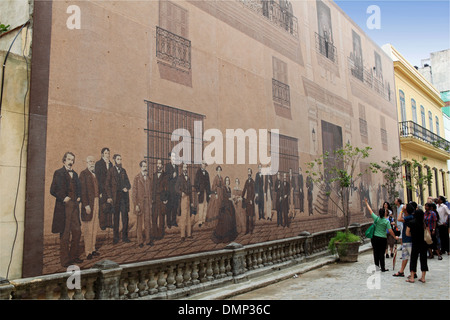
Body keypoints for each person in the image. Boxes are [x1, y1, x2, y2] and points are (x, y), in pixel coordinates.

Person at [50, 152, 83, 267]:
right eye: (69, 159)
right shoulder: (58, 173)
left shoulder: (75, 174)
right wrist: (63, 197)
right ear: (64, 160)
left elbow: (79, 189)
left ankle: (74, 256)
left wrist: (79, 196)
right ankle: (65, 260)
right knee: (65, 234)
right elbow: (53, 190)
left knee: (77, 231)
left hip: (74, 207)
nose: (71, 162)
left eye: (72, 160)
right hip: (64, 207)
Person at [364, 198, 399, 272]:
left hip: (375, 238)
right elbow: (390, 231)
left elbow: (370, 211)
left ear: (379, 213)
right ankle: (383, 268)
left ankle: (377, 267)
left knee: (375, 253)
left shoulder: (376, 219)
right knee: (381, 253)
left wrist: (367, 203)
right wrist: (395, 237)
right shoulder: (386, 222)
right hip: (383, 238)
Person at [106, 154, 131, 244]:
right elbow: (107, 185)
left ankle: (125, 237)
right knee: (115, 218)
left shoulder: (123, 171)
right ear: (114, 160)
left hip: (123, 199)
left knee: (125, 218)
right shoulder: (111, 171)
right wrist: (109, 196)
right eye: (118, 159)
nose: (120, 161)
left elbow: (128, 184)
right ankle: (115, 238)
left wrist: (126, 188)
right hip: (115, 198)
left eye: (120, 159)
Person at [79, 156, 101, 260]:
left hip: (96, 202)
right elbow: (82, 191)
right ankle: (87, 252)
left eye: (93, 161)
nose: (92, 163)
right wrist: (86, 205)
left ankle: (92, 249)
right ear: (86, 163)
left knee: (94, 227)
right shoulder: (83, 174)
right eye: (90, 162)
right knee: (88, 228)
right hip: (88, 204)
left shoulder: (95, 174)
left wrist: (99, 194)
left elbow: (96, 188)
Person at [212, 176, 238, 244]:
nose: (227, 182)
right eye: (226, 180)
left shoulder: (229, 188)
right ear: (224, 181)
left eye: (228, 180)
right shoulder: (223, 188)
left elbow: (230, 196)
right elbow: (223, 197)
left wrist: (232, 198)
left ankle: (230, 236)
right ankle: (225, 237)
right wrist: (229, 199)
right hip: (225, 205)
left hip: (230, 204)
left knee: (232, 216)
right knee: (226, 218)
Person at [132, 160, 152, 247]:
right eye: (143, 166)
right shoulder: (137, 178)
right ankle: (140, 241)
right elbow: (134, 193)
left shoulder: (149, 178)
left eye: (146, 166)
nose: (145, 168)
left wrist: (150, 202)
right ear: (140, 167)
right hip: (140, 203)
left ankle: (148, 240)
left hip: (147, 202)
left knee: (147, 221)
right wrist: (136, 204)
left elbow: (150, 191)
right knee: (139, 223)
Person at [405, 209, 428, 283]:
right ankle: (423, 277)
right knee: (423, 259)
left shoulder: (411, 222)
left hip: (415, 243)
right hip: (423, 243)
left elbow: (407, 233)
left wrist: (413, 235)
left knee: (413, 259)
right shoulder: (423, 223)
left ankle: (412, 277)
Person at [393, 203, 415, 277]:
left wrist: (401, 211)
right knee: (405, 256)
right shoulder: (409, 216)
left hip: (408, 239)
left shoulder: (409, 217)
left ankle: (412, 272)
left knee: (409, 257)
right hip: (406, 239)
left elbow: (399, 219)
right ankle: (402, 271)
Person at [95, 147, 113, 230]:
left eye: (108, 153)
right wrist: (100, 191)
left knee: (109, 205)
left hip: (109, 189)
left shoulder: (111, 164)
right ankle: (102, 224)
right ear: (102, 154)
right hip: (102, 189)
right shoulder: (98, 164)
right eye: (106, 153)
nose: (107, 155)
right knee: (102, 206)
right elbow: (97, 178)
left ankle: (109, 222)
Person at [175, 163, 194, 241]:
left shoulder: (188, 178)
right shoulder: (180, 178)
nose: (185, 169)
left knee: (188, 217)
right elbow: (176, 188)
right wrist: (181, 193)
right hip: (183, 198)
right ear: (182, 169)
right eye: (184, 167)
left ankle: (189, 234)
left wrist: (192, 201)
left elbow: (191, 190)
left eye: (186, 167)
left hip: (188, 198)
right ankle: (182, 235)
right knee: (183, 217)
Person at [151, 159, 168, 241]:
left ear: (162, 165)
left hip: (162, 198)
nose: (158, 165)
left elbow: (167, 188)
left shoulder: (165, 175)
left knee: (161, 216)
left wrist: (165, 199)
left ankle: (160, 234)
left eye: (159, 163)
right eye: (157, 163)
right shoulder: (154, 175)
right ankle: (154, 234)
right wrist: (152, 198)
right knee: (154, 216)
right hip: (155, 198)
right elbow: (152, 188)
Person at [194, 161, 211, 228]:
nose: (204, 166)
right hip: (201, 192)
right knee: (201, 206)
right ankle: (200, 221)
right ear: (201, 165)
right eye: (203, 164)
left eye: (205, 165)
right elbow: (195, 182)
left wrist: (209, 193)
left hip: (206, 192)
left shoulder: (207, 173)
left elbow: (208, 184)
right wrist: (197, 191)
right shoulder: (198, 172)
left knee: (205, 206)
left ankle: (204, 220)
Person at [165, 152, 179, 229]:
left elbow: (178, 179)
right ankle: (168, 222)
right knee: (169, 207)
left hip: (175, 191)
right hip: (169, 191)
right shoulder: (167, 166)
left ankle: (174, 221)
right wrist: (171, 175)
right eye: (172, 156)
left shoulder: (176, 167)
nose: (173, 158)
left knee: (175, 207)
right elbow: (166, 177)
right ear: (170, 157)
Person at [242, 168, 256, 234]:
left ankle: (251, 230)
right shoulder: (246, 181)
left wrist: (251, 200)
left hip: (251, 201)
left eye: (250, 172)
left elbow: (254, 192)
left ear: (251, 173)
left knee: (251, 216)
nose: (249, 173)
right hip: (247, 200)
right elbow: (244, 190)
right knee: (247, 216)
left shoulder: (253, 182)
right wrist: (241, 197)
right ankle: (246, 230)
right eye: (248, 172)